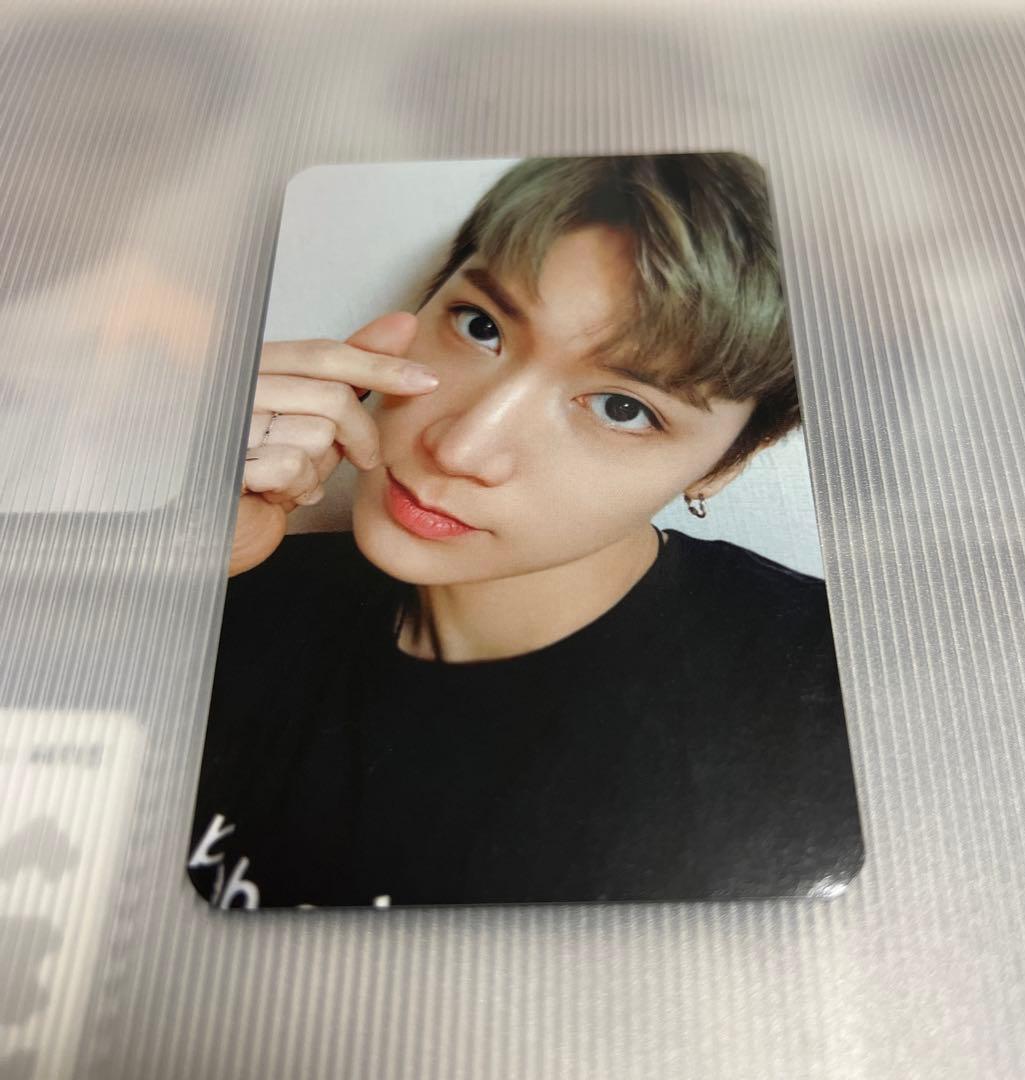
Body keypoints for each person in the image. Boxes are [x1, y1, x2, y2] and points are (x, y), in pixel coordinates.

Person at [188, 153, 863, 909]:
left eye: (622, 408)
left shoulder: (838, 699)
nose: (460, 448)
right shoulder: (237, 584)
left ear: (725, 464)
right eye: (480, 327)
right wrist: (181, 555)